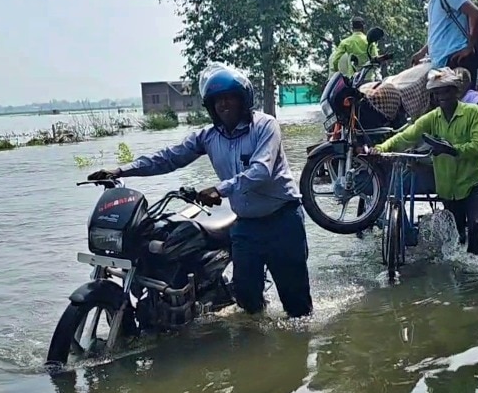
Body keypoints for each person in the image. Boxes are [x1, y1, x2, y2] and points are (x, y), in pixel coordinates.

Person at [85, 63, 312, 318]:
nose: (224, 105)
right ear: (211, 106)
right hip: (246, 225)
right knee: (248, 302)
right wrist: (121, 171)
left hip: (282, 220)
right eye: (218, 101)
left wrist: (220, 189)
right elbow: (168, 158)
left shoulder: (265, 126)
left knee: (297, 307)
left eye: (230, 98)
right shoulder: (207, 137)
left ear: (242, 100)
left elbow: (261, 171)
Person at [371, 69, 478, 254]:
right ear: (434, 97)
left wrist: (452, 150)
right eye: (438, 93)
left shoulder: (472, 112)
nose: (443, 96)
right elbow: (406, 137)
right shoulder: (432, 118)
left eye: (447, 91)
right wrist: (381, 148)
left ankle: (476, 273)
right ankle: (463, 271)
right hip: (449, 189)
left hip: (474, 181)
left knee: (475, 225)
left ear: (456, 91)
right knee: (458, 234)